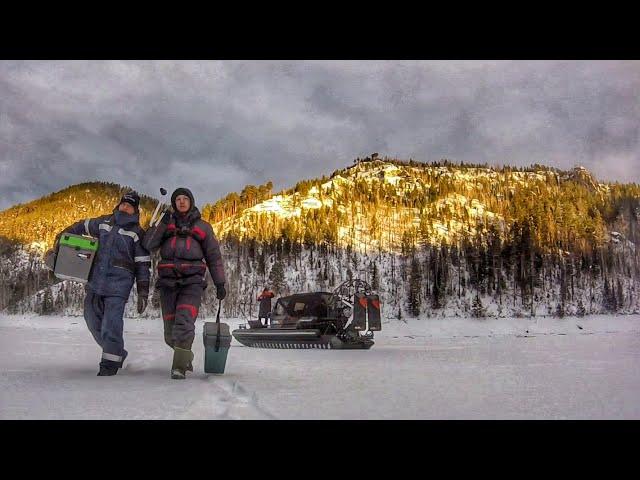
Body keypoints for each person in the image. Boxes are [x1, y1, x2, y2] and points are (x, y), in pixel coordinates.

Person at [51, 191, 150, 376]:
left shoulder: (137, 233)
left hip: (119, 287)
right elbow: (82, 225)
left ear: (136, 210)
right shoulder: (104, 222)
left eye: (129, 205)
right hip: (95, 283)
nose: (125, 207)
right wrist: (63, 236)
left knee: (111, 325)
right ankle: (117, 352)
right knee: (91, 320)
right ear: (119, 204)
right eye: (123, 204)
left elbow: (143, 264)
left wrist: (143, 292)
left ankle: (109, 366)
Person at [142, 187, 226, 379]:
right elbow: (148, 245)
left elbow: (214, 257)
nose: (181, 201)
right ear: (173, 203)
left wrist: (220, 283)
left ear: (191, 201)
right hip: (167, 283)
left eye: (184, 198)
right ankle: (185, 354)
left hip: (192, 283)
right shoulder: (166, 224)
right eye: (177, 199)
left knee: (184, 322)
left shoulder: (203, 227)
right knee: (169, 333)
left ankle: (178, 367)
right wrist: (162, 223)